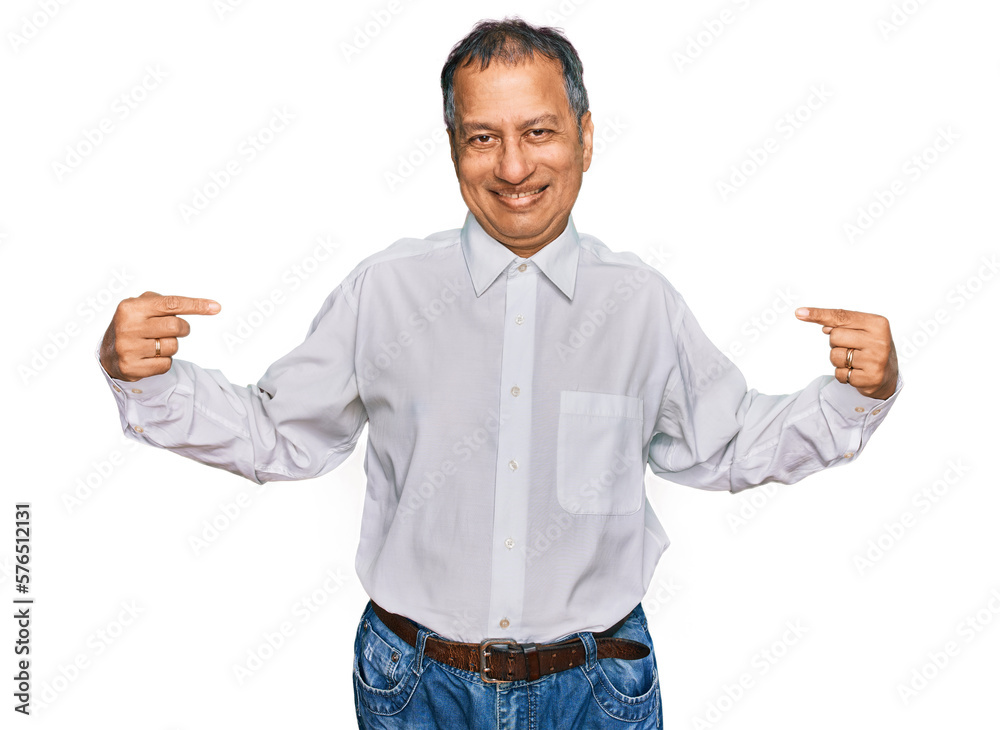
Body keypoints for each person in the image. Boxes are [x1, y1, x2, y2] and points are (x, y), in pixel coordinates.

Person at [96, 17, 901, 729]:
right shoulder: (387, 291)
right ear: (454, 149)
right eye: (484, 137)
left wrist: (854, 399)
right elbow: (282, 435)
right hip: (414, 687)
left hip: (596, 690)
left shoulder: (640, 304)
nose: (513, 166)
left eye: (539, 132)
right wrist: (150, 383)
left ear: (586, 136)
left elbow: (724, 444)